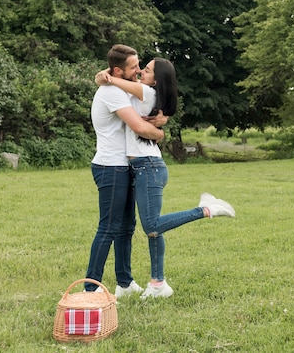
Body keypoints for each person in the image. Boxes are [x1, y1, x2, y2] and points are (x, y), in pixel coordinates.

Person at [96, 57, 235, 298]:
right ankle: (158, 284)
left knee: (151, 225)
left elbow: (118, 80)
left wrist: (106, 76)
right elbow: (117, 80)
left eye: (146, 70)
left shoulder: (146, 93)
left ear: (156, 79)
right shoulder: (145, 94)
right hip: (143, 166)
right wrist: (103, 74)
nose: (140, 72)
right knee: (153, 226)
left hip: (147, 166)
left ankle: (205, 209)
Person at [84, 44, 167, 297]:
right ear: (118, 70)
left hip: (125, 166)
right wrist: (160, 132)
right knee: (108, 227)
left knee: (125, 228)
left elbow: (146, 105)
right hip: (110, 167)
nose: (139, 70)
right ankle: (91, 288)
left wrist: (161, 118)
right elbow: (139, 127)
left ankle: (125, 283)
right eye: (134, 67)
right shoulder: (112, 92)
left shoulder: (120, 87)